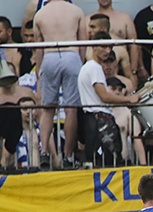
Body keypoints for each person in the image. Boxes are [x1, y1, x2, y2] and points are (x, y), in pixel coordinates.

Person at [33, 0, 86, 169]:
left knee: (48, 109)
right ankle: (69, 156)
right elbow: (83, 42)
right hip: (72, 54)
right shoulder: (76, 11)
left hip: (49, 56)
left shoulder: (40, 14)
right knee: (71, 109)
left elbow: (38, 47)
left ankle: (44, 152)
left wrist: (39, 70)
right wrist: (81, 62)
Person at [78, 32, 140, 167]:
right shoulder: (94, 68)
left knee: (99, 161)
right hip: (100, 119)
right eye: (103, 47)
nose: (107, 51)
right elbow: (104, 96)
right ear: (93, 47)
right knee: (109, 160)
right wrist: (129, 99)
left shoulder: (88, 67)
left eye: (109, 47)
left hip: (93, 118)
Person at [91, 0, 141, 84]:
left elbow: (133, 44)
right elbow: (83, 46)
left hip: (122, 65)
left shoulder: (125, 18)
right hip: (96, 71)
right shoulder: (89, 20)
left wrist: (134, 70)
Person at [108, 76, 147, 165]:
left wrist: (143, 165)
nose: (117, 92)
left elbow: (137, 139)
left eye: (120, 89)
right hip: (102, 160)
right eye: (113, 89)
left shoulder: (127, 112)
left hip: (123, 162)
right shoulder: (98, 111)